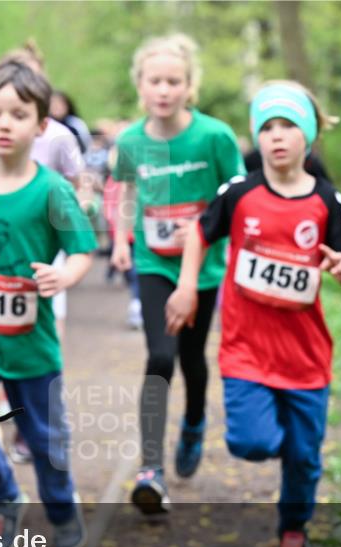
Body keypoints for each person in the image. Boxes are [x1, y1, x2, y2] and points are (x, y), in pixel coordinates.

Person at [166, 80, 341, 547]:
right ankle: (270, 436)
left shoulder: (325, 199)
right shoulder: (240, 193)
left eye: (289, 126)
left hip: (305, 354)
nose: (277, 137)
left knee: (305, 457)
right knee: (251, 442)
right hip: (246, 348)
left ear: (310, 136)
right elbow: (199, 231)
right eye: (267, 128)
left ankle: (293, 529)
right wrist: (188, 287)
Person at [0, 59, 97, 547]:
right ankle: (2, 495)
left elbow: (81, 249)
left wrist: (63, 276)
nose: (4, 124)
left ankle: (59, 509)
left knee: (47, 440)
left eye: (17, 114)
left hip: (31, 339)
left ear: (41, 124)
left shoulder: (52, 189)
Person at [110, 34, 243, 514]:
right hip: (153, 263)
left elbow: (236, 194)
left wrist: (224, 241)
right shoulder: (130, 141)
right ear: (140, 87)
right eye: (155, 81)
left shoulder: (214, 137)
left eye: (174, 81)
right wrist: (123, 239)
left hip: (204, 269)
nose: (164, 90)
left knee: (191, 357)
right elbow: (124, 191)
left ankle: (193, 420)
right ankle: (151, 466)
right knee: (160, 355)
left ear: (190, 87)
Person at [50, 89, 92, 154]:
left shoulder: (75, 124)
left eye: (60, 104)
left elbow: (86, 146)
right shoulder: (47, 125)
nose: (56, 107)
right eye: (53, 104)